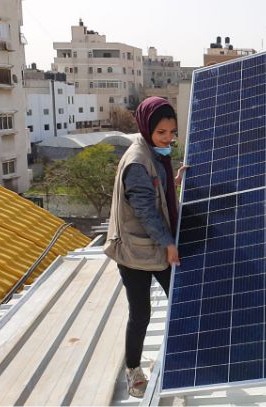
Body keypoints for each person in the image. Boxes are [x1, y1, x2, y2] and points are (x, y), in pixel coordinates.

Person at [104, 96, 186, 398]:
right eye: (161, 133)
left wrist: (173, 182)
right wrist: (168, 243)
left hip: (150, 245)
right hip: (135, 252)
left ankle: (182, 358)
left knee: (180, 302)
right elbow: (145, 211)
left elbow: (156, 192)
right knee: (141, 313)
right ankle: (133, 370)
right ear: (146, 127)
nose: (168, 138)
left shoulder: (154, 154)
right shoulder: (138, 162)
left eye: (172, 132)